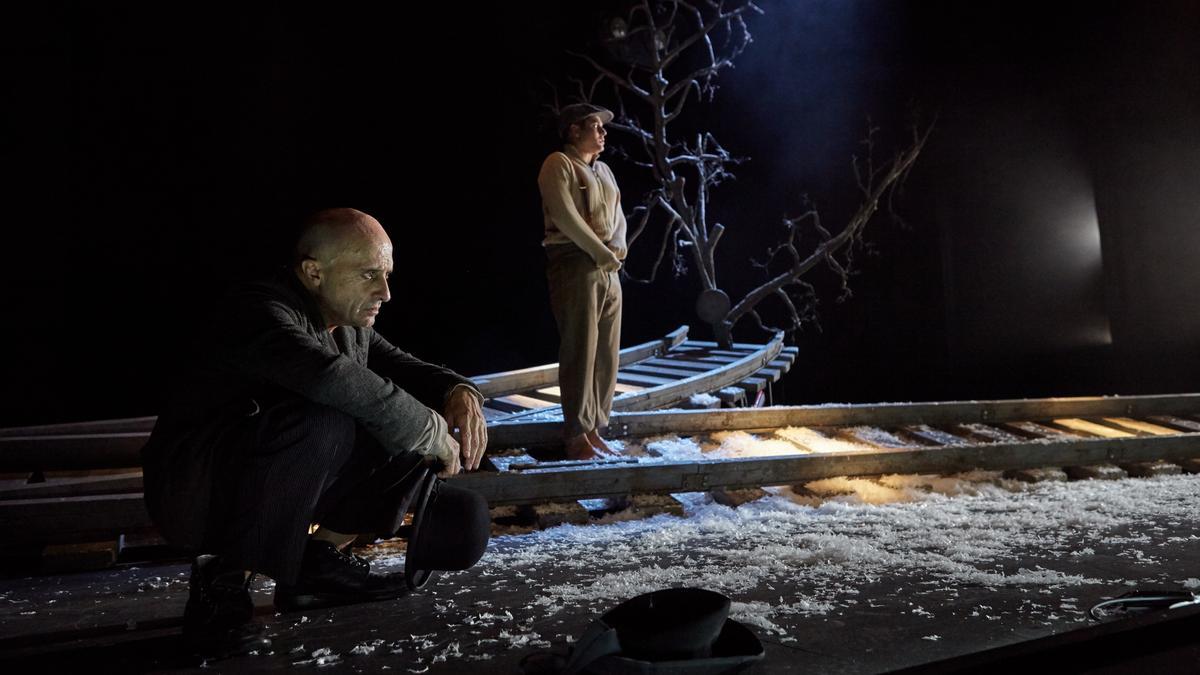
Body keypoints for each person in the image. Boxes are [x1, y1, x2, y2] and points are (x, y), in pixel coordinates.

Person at [141, 208, 490, 657]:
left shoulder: (348, 323)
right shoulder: (258, 311)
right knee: (329, 418)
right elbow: (328, 377)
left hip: (268, 475)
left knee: (401, 425)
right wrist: (428, 428)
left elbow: (402, 365)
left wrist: (459, 392)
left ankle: (318, 568)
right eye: (369, 275)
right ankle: (221, 587)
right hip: (199, 489)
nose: (384, 292)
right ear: (313, 272)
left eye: (386, 275)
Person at [537, 103, 628, 460]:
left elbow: (619, 216)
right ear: (574, 130)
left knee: (607, 351)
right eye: (594, 126)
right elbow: (565, 214)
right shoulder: (558, 164)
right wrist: (598, 251)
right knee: (581, 346)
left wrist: (617, 249)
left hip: (608, 266)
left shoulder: (603, 170)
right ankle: (575, 433)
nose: (602, 133)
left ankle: (595, 430)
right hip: (574, 261)